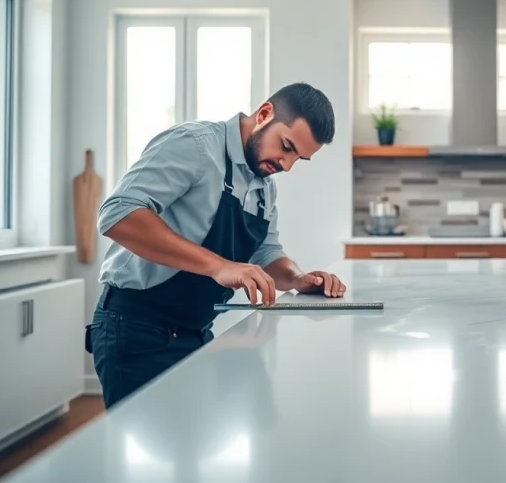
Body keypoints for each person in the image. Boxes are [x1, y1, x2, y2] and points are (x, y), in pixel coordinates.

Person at [84, 82, 346, 409]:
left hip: (195, 333)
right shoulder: (195, 145)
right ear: (264, 114)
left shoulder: (264, 188)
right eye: (286, 146)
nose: (287, 165)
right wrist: (219, 266)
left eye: (299, 159)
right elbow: (117, 215)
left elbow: (266, 252)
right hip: (136, 330)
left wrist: (296, 278)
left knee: (194, 447)